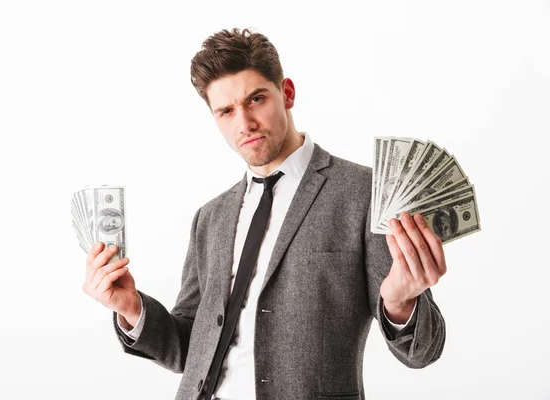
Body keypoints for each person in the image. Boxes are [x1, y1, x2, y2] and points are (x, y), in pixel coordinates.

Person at [82, 28, 447, 400]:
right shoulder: (210, 218)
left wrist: (401, 303)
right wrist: (131, 308)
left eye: (255, 99)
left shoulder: (364, 195)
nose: (244, 123)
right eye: (226, 111)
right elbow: (190, 348)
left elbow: (423, 352)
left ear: (286, 93)